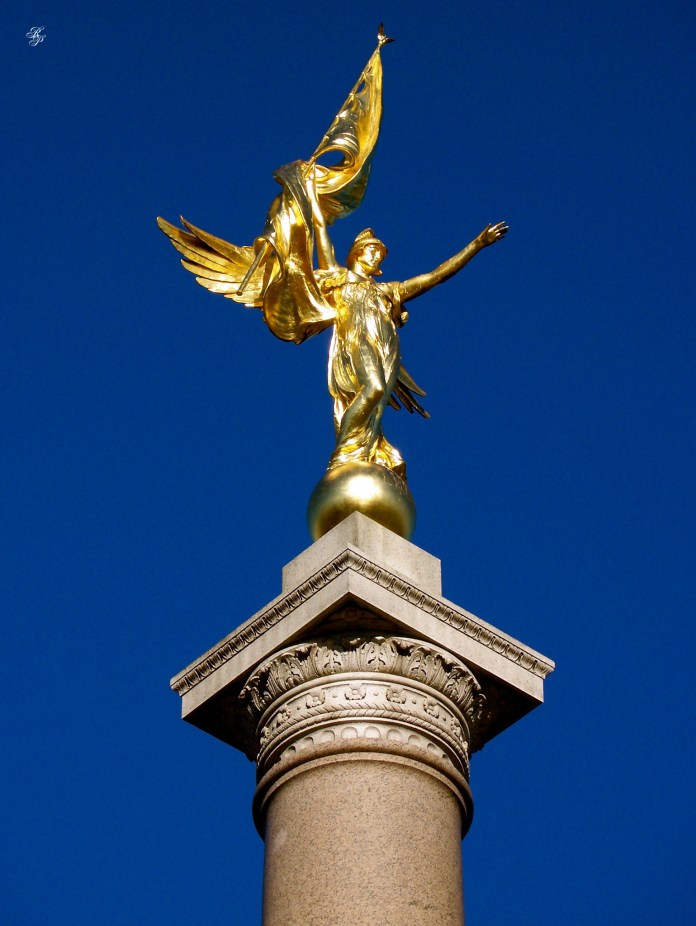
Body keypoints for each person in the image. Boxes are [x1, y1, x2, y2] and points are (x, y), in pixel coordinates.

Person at [306, 173, 508, 476]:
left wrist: (477, 244)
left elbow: (434, 277)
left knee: (375, 405)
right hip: (355, 342)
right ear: (358, 252)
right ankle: (343, 456)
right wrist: (309, 192)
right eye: (374, 251)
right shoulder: (339, 278)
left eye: (380, 254)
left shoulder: (388, 291)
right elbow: (321, 229)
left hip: (385, 348)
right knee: (373, 389)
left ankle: (365, 452)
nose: (379, 257)